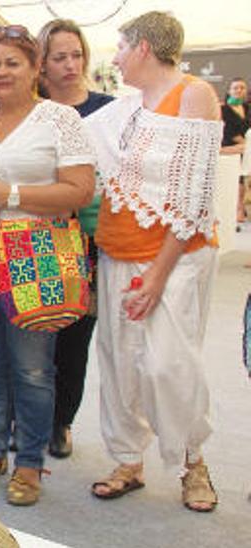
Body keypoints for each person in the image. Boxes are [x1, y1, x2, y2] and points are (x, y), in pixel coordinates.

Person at [0, 25, 95, 506]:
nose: (2, 72)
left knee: (32, 368)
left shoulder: (59, 119)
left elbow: (79, 191)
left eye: (13, 62)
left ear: (35, 68)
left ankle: (29, 464)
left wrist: (9, 194)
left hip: (36, 260)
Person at [84, 11, 223, 513]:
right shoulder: (123, 109)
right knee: (120, 363)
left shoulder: (193, 94)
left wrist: (157, 277)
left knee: (169, 364)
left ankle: (192, 462)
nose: (116, 58)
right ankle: (127, 460)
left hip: (177, 256)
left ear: (143, 47)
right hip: (118, 248)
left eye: (120, 47)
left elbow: (195, 197)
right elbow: (68, 133)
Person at [35, 18, 116, 460]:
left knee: (74, 338)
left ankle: (60, 421)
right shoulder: (30, 109)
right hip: (39, 239)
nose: (70, 65)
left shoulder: (110, 110)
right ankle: (27, 417)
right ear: (42, 64)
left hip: (89, 242)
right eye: (59, 57)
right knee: (33, 334)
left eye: (76, 55)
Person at [219, 77, 248, 224]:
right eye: (235, 88)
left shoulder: (248, 108)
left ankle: (243, 207)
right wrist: (247, 146)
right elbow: (230, 133)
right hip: (230, 148)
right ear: (229, 91)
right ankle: (238, 209)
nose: (239, 90)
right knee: (240, 176)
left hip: (247, 147)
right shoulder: (223, 109)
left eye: (242, 88)